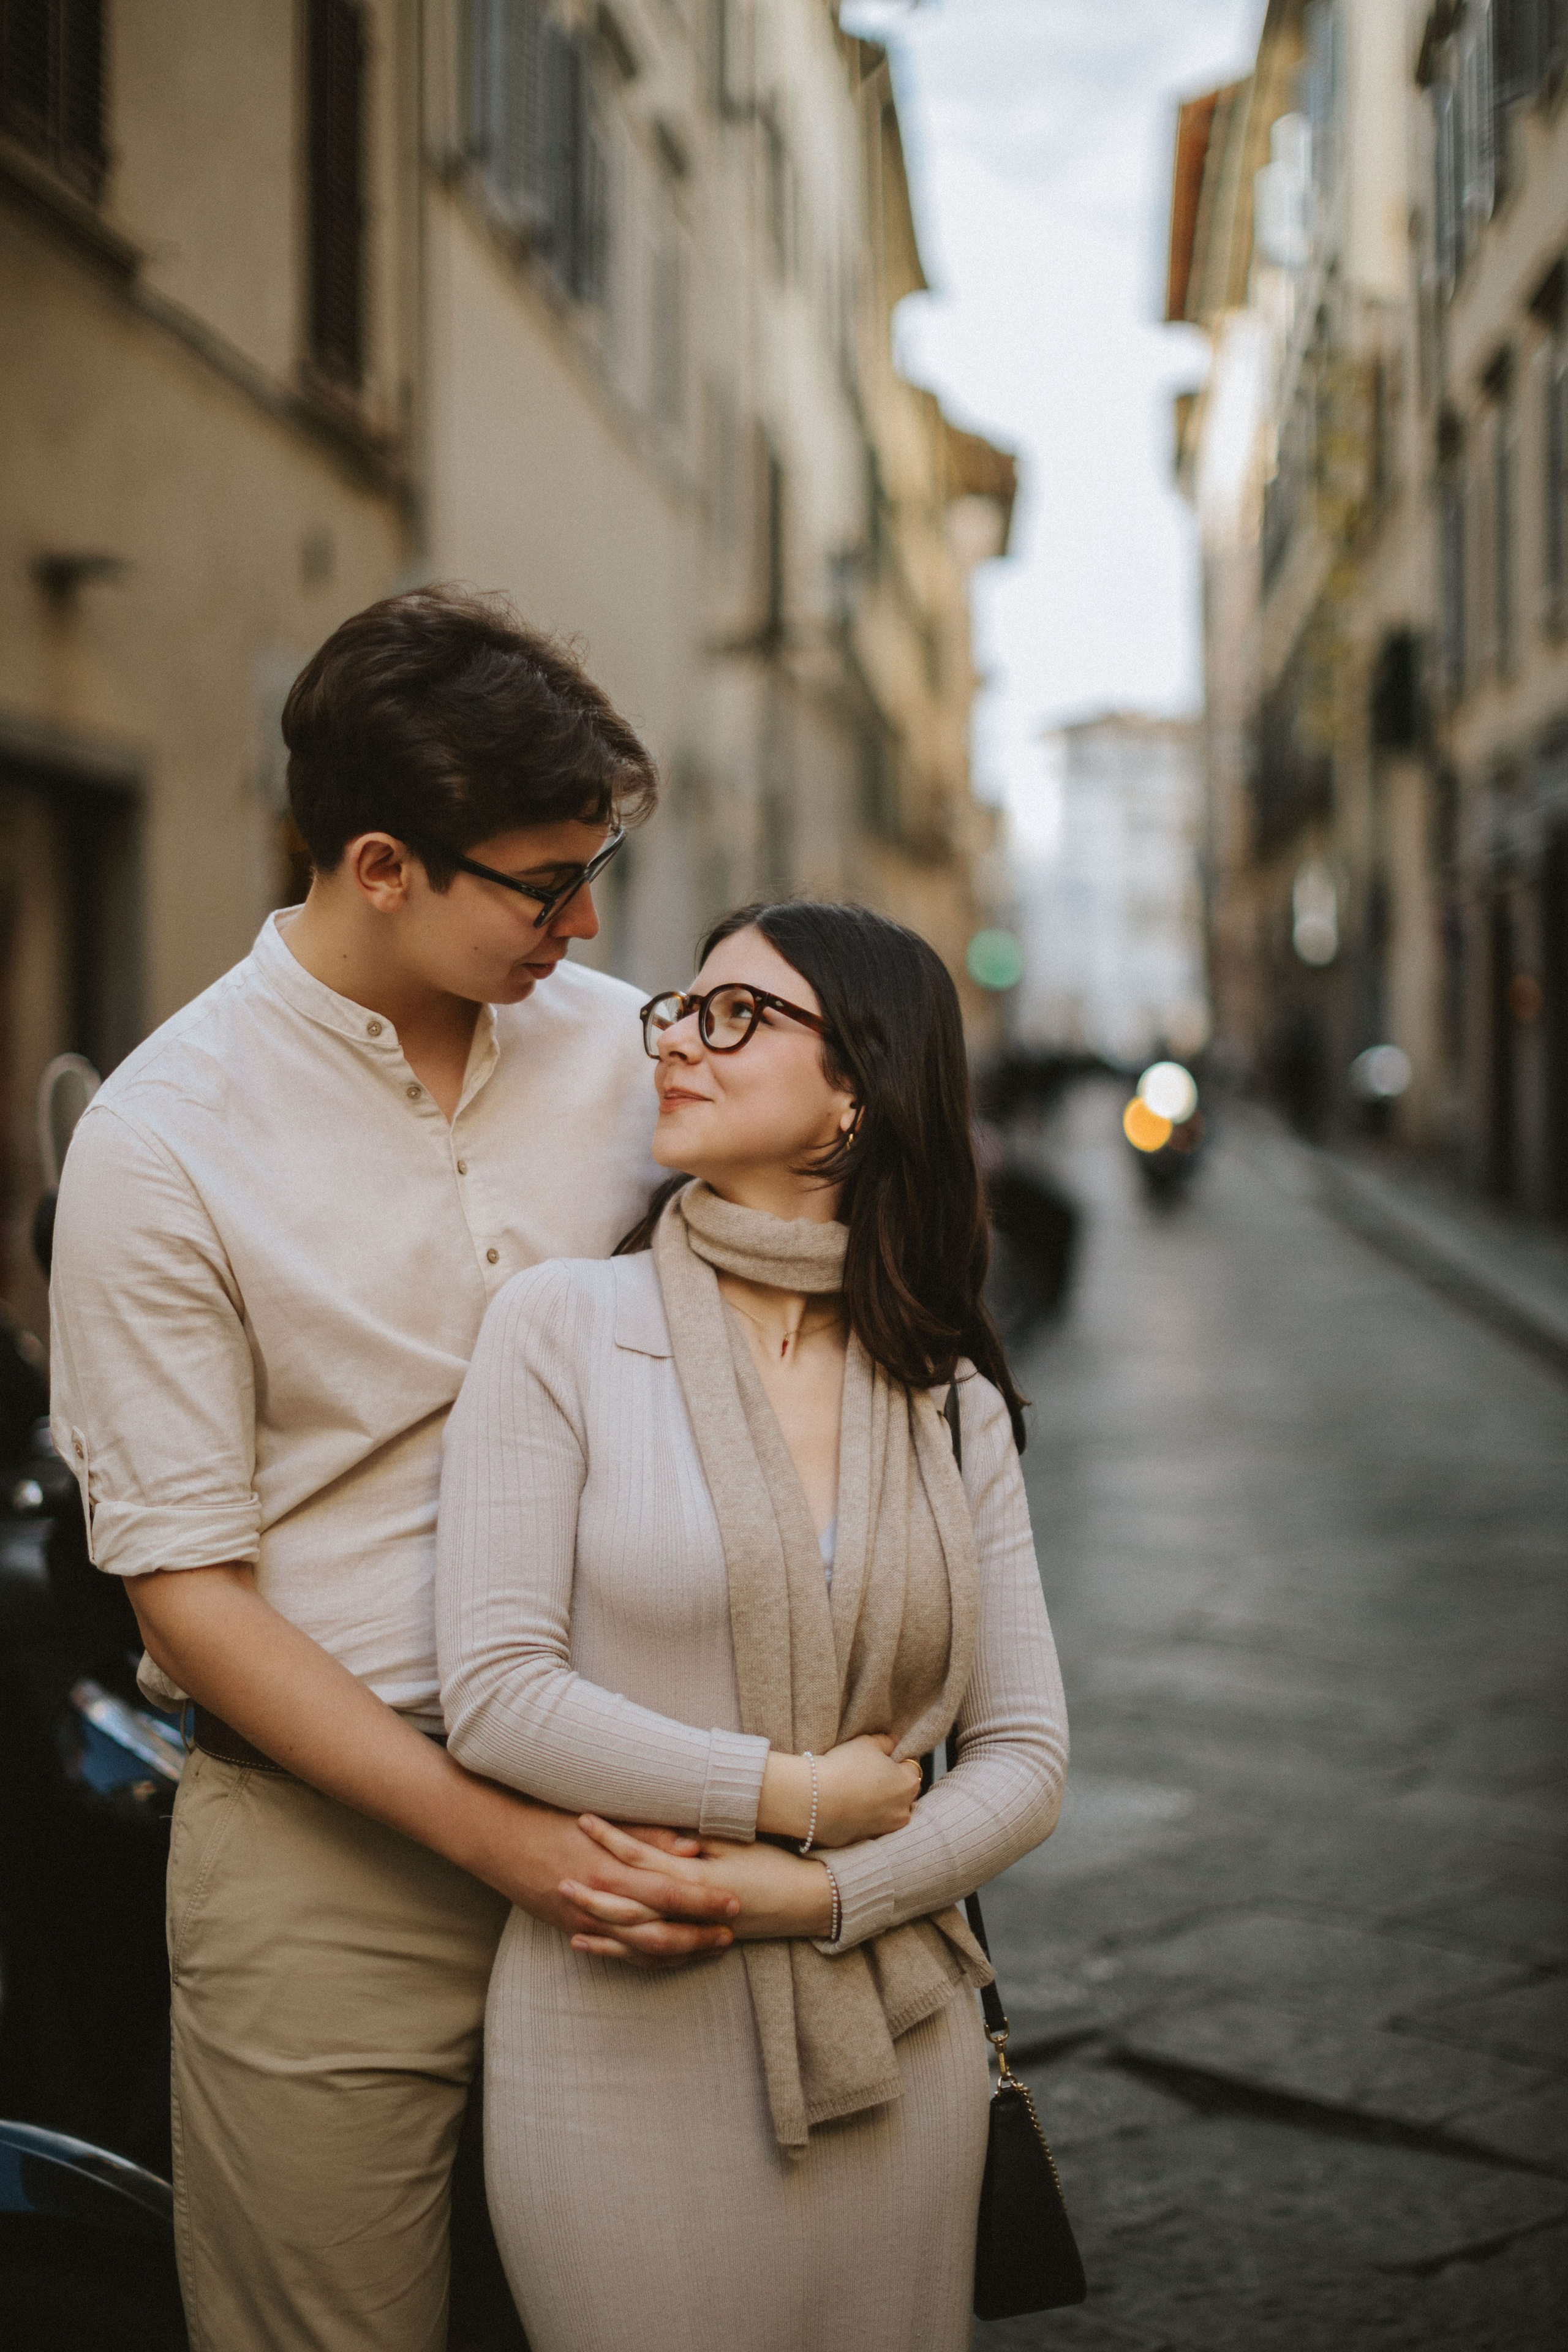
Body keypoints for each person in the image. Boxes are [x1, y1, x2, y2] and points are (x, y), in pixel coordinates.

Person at [47, 586, 742, 2352]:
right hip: (326, 1854)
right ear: (378, 865)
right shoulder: (160, 1140)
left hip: (653, 1801)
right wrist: (497, 1841)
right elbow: (188, 1594)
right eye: (540, 883)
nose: (584, 925)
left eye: (597, 874)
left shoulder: (647, 1054)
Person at [436, 899, 1070, 2352]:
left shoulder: (945, 1392)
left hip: (900, 2038)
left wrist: (815, 1894)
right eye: (680, 1008)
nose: (678, 1042)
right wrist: (792, 1800)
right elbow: (500, 1693)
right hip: (616, 2036)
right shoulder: (561, 1328)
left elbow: (1026, 1758)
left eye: (736, 1016)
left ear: (855, 1088)